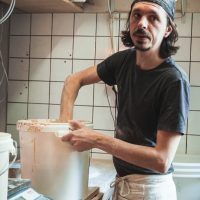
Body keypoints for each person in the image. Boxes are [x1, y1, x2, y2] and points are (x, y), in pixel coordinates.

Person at [59, 0, 190, 199]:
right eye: (137, 15)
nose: (142, 23)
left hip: (150, 189)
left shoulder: (173, 80)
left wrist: (96, 139)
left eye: (153, 18)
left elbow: (162, 160)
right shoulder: (123, 61)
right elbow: (73, 80)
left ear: (167, 30)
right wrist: (64, 127)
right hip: (124, 182)